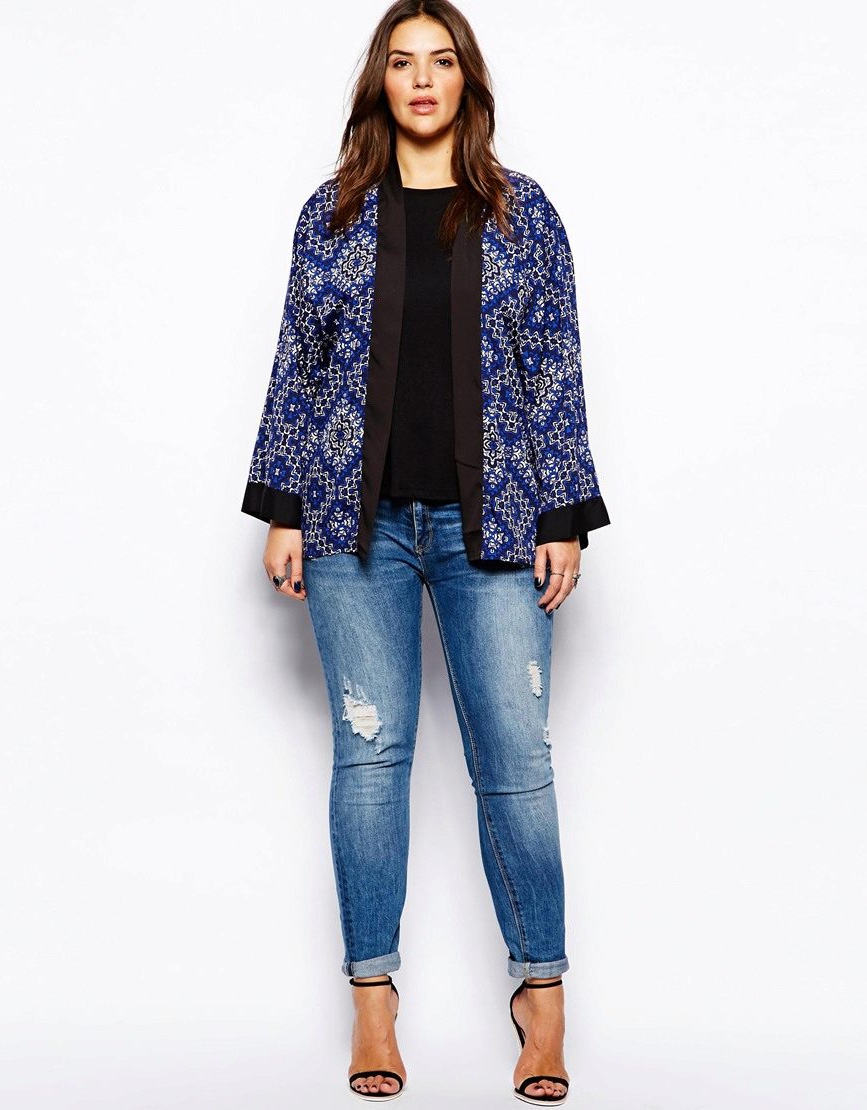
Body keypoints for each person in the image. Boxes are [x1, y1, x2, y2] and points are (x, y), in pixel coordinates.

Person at [240, 1, 611, 1102]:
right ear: (380, 82)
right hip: (352, 527)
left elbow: (556, 367)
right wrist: (283, 506)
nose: (421, 79)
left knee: (518, 765)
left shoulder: (522, 213)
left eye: (440, 61)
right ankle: (373, 1001)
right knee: (370, 761)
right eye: (402, 62)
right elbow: (298, 363)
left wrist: (562, 516)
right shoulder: (334, 212)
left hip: (491, 526)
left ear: (466, 82)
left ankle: (541, 1001)